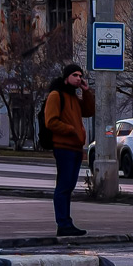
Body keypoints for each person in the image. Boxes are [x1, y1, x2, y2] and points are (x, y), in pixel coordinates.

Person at [44, 64, 95, 237]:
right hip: (63, 147)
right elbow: (50, 121)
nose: (79, 78)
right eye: (75, 75)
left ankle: (66, 222)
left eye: (80, 75)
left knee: (69, 186)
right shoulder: (56, 95)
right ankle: (63, 223)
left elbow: (89, 111)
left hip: (75, 148)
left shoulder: (73, 97)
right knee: (63, 187)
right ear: (66, 77)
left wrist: (86, 92)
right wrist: (71, 130)